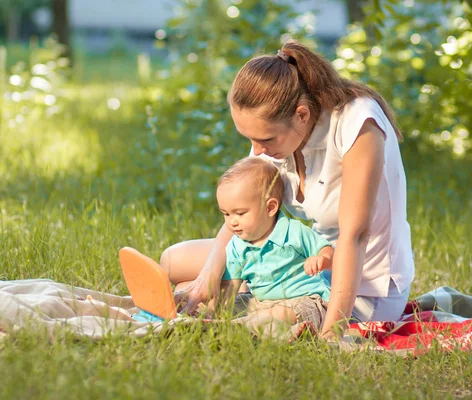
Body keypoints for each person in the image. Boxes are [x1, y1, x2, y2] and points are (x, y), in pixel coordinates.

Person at [160, 40, 415, 339]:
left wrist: (332, 334)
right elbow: (246, 207)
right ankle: (242, 289)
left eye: (264, 139)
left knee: (260, 313)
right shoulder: (279, 138)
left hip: (364, 285)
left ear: (302, 115)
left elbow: (355, 237)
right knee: (172, 261)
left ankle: (250, 299)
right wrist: (207, 277)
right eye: (250, 138)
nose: (257, 150)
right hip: (306, 265)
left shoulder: (358, 123)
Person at [214, 157, 333, 330]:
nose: (231, 222)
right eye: (226, 214)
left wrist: (320, 259)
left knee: (282, 314)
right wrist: (220, 309)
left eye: (239, 213)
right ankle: (228, 324)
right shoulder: (237, 245)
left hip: (304, 299)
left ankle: (246, 327)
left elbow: (328, 252)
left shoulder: (293, 232)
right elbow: (230, 286)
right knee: (235, 305)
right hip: (262, 303)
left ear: (270, 208)